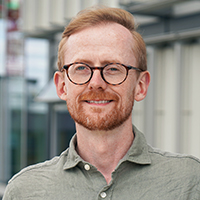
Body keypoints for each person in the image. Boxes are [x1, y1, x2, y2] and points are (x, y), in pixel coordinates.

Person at [3, 6, 200, 200]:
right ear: (62, 86)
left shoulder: (190, 182)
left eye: (113, 68)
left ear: (140, 86)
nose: (96, 83)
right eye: (81, 67)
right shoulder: (25, 192)